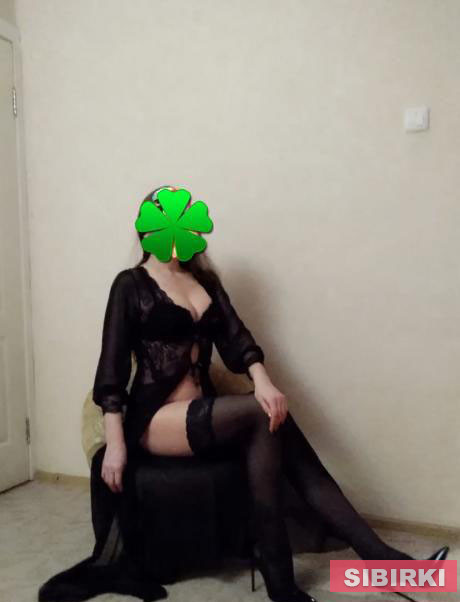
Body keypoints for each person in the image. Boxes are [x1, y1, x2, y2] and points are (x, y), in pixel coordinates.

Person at [39, 186, 449, 602]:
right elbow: (110, 370)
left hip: (198, 411)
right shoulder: (131, 285)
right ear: (147, 227)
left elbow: (238, 340)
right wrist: (115, 443)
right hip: (154, 419)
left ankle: (368, 567)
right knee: (260, 416)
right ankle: (337, 571)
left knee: (277, 426)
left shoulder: (204, 281)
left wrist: (264, 382)